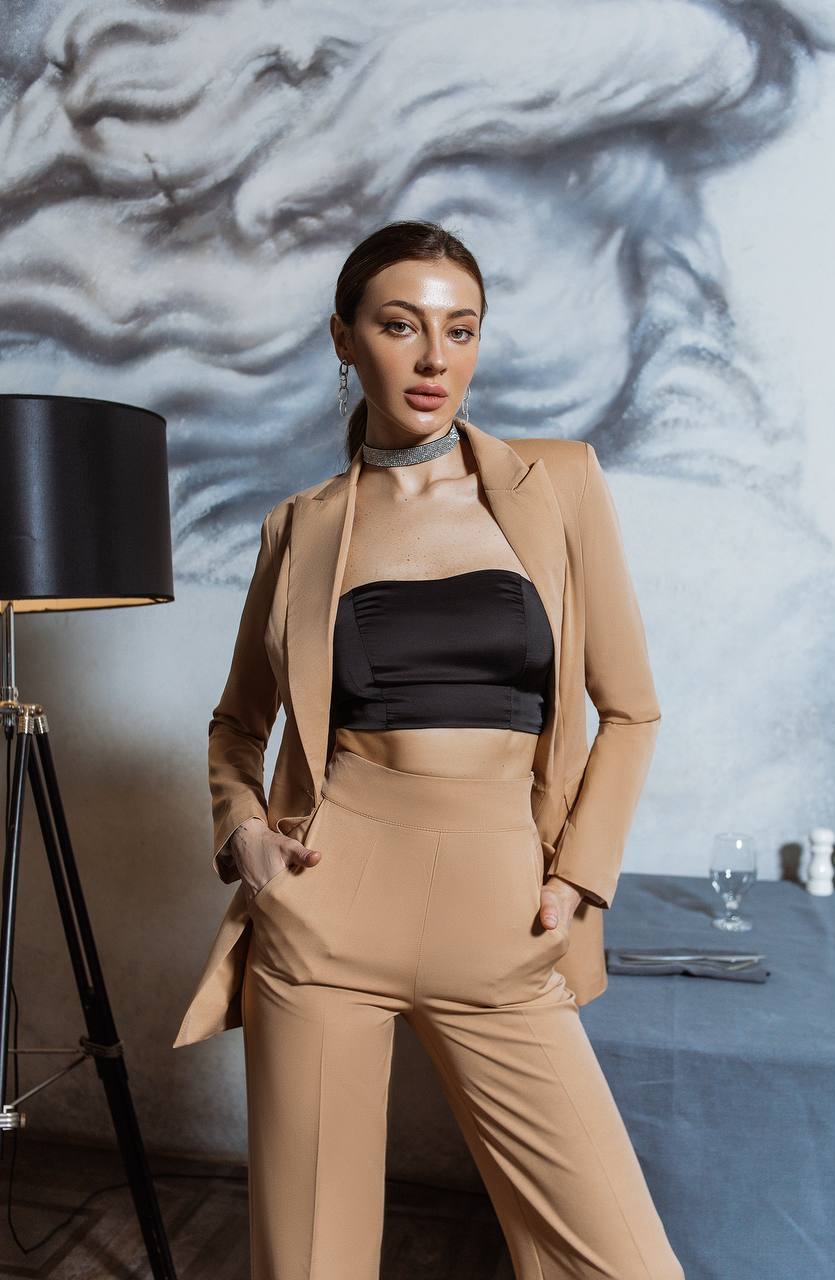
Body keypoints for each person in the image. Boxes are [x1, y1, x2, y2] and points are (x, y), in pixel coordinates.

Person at [211, 221, 684, 1279]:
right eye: (400, 325)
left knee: (619, 1262)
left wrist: (578, 880)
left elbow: (633, 708)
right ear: (345, 339)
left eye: (459, 329)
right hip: (327, 906)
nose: (434, 358)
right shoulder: (301, 528)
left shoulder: (555, 484)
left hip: (503, 906)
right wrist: (244, 835)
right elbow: (236, 723)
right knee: (310, 1265)